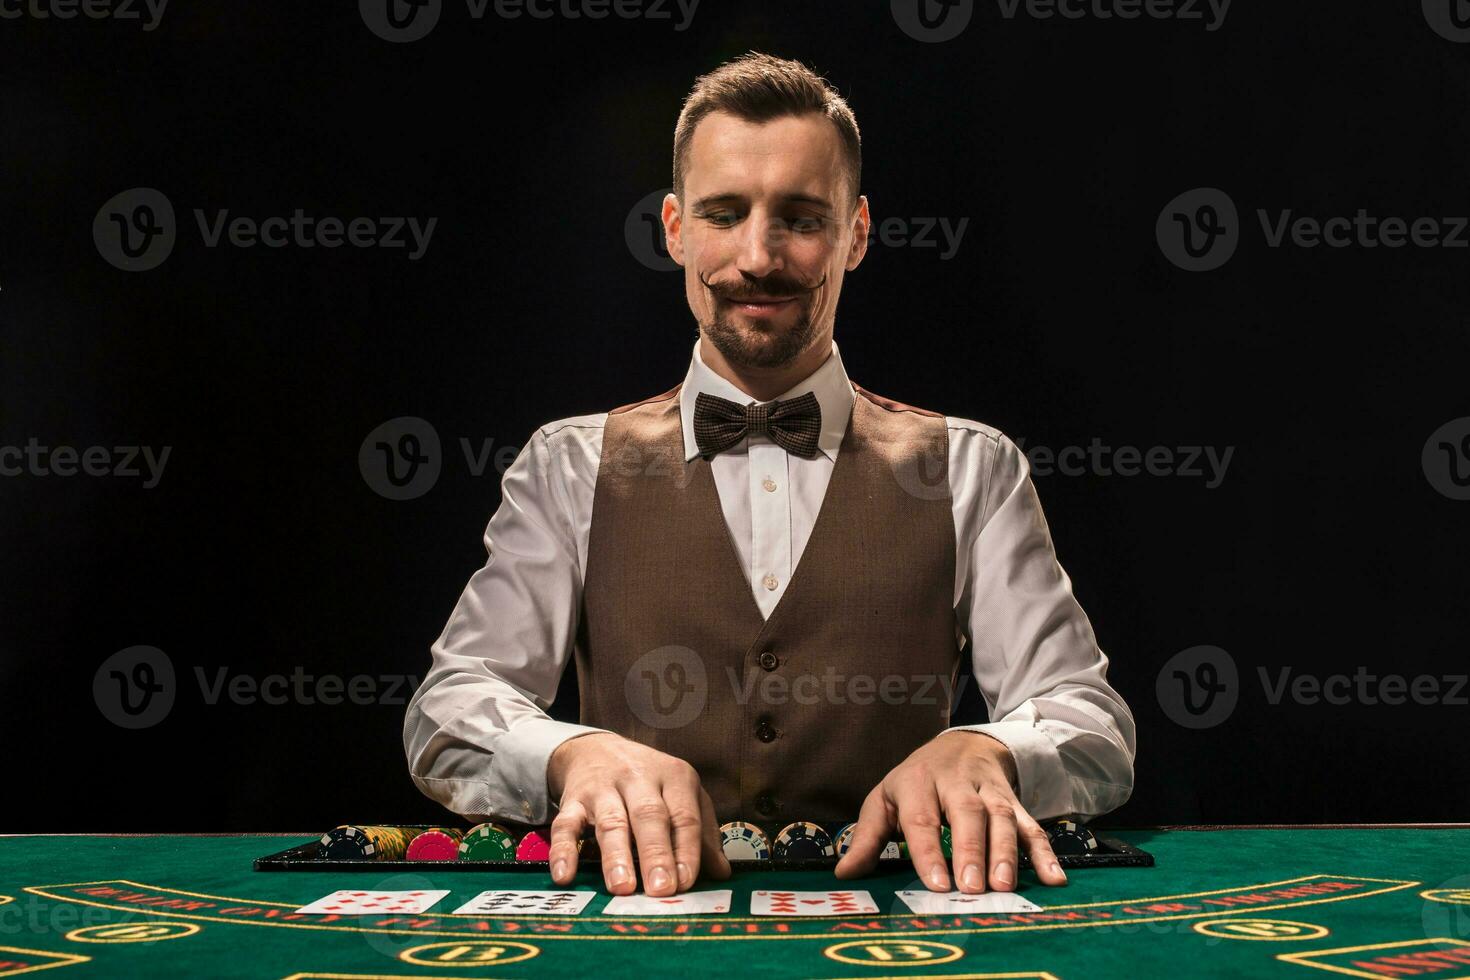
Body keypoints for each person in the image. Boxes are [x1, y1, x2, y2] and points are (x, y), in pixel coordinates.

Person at [404, 51, 1134, 899]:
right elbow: (448, 709)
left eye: (800, 216)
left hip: (906, 925)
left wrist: (991, 749)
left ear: (855, 233)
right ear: (675, 228)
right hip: (642, 926)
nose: (758, 255)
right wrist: (568, 753)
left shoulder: (973, 467)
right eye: (725, 213)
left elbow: (1094, 728)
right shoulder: (569, 464)